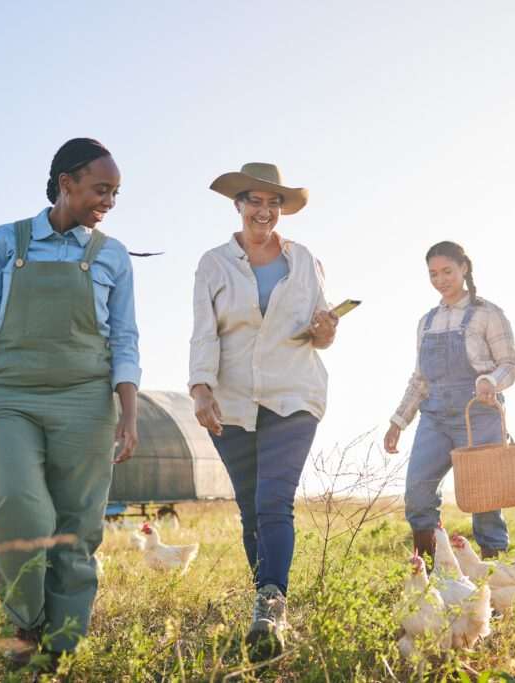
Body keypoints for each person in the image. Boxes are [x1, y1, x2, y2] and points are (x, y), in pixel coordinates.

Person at [0, 138, 141, 669]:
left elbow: (125, 340)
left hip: (86, 400)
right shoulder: (9, 241)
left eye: (116, 192)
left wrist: (130, 413)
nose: (109, 201)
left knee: (76, 527)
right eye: (101, 189)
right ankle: (25, 624)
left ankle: (61, 646)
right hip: (11, 395)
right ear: (65, 182)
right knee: (21, 509)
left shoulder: (112, 255)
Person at [189, 162, 337, 660]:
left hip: (293, 394)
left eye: (273, 203)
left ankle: (273, 600)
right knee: (249, 506)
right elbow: (203, 331)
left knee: (275, 499)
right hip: (230, 400)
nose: (264, 211)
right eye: (255, 200)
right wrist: (200, 390)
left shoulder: (304, 261)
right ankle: (263, 602)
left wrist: (326, 330)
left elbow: (323, 330)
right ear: (238, 205)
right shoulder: (214, 263)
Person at [384, 241, 515, 560]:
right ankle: (431, 572)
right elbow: (420, 379)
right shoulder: (427, 321)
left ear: (464, 268)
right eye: (433, 274)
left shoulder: (488, 314)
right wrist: (398, 422)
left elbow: (511, 365)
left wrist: (490, 381)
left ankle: (492, 576)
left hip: (480, 415)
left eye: (447, 271)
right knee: (418, 493)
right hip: (434, 418)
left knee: (485, 498)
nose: (440, 279)